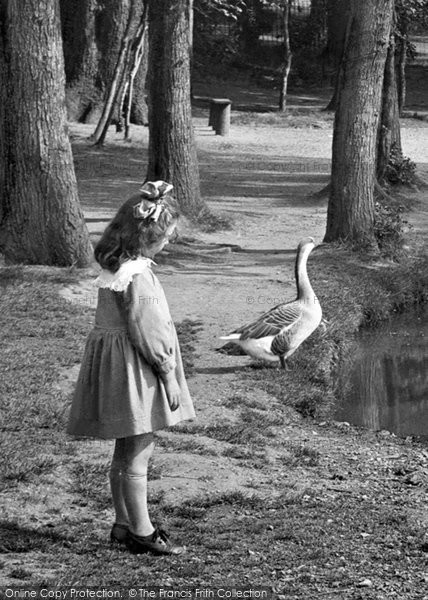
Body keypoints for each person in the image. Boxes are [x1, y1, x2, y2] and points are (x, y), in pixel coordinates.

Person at [67, 181, 195, 555]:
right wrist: (168, 374)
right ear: (147, 237)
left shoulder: (115, 268)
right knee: (139, 452)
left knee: (123, 453)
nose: (169, 242)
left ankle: (122, 524)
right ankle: (143, 530)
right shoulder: (140, 277)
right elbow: (149, 331)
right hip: (138, 371)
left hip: (115, 369)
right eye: (167, 236)